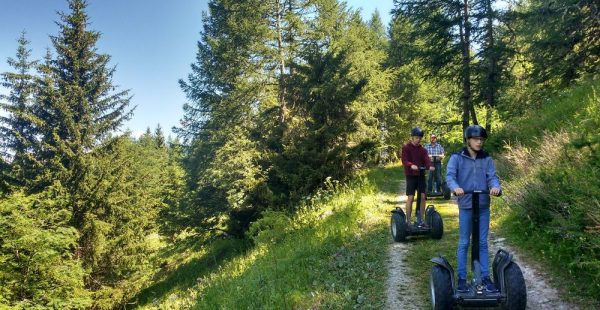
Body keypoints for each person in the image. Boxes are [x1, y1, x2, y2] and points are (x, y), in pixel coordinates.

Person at [446, 125, 501, 293]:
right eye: (476, 139)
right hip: (466, 205)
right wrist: (455, 187)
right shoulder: (457, 157)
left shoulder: (486, 158)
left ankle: (485, 277)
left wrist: (495, 187)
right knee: (464, 242)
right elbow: (450, 176)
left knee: (483, 242)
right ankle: (462, 279)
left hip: (483, 205)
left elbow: (492, 177)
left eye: (482, 140)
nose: (479, 142)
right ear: (468, 140)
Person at [401, 127, 434, 228]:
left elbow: (426, 160)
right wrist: (411, 165)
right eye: (416, 137)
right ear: (412, 137)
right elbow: (404, 160)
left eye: (419, 138)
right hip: (411, 175)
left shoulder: (423, 150)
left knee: (423, 197)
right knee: (411, 197)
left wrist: (430, 166)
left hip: (421, 175)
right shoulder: (406, 148)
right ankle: (408, 221)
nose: (418, 139)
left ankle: (421, 220)